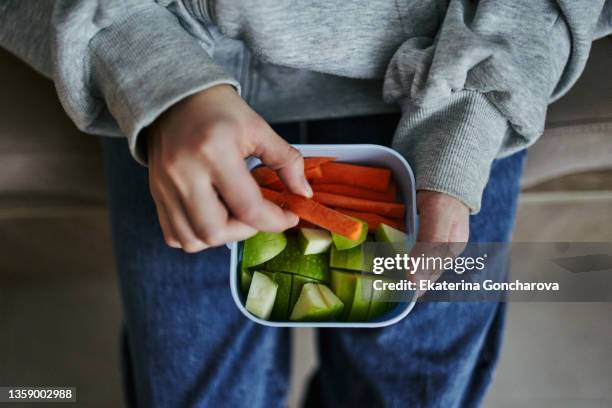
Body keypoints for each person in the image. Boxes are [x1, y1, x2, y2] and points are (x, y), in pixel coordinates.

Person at [1, 1, 610, 406]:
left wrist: (464, 137)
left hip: (461, 71)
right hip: (181, 71)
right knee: (197, 390)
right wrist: (155, 80)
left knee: (419, 385)